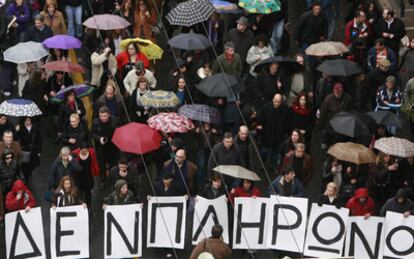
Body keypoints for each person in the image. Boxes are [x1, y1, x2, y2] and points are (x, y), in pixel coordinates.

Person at [257, 93, 291, 170]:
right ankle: (262, 164)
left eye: (279, 102)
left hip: (278, 135)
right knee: (264, 151)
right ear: (273, 100)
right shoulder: (266, 108)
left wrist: (286, 132)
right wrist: (260, 126)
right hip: (267, 134)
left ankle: (273, 166)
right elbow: (261, 118)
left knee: (275, 152)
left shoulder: (285, 108)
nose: (277, 104)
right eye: (275, 101)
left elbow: (287, 121)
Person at [91, 106, 120, 186]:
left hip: (112, 147)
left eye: (105, 116)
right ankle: (102, 181)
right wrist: (99, 139)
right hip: (101, 148)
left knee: (113, 165)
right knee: (101, 165)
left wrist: (110, 138)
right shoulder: (95, 122)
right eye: (101, 116)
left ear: (109, 115)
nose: (103, 118)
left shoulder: (115, 121)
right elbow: (93, 134)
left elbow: (118, 132)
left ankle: (113, 182)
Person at [319, 82, 353, 149]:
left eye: (338, 93)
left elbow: (350, 112)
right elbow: (323, 114)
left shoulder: (347, 98)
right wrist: (320, 127)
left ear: (342, 92)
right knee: (328, 145)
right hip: (330, 126)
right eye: (335, 93)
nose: (337, 95)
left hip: (342, 126)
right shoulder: (328, 99)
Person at [72, 143, 99, 207]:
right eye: (83, 151)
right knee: (79, 191)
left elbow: (95, 163)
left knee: (88, 192)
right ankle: (81, 205)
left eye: (86, 151)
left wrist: (97, 173)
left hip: (88, 175)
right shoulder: (75, 153)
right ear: (80, 150)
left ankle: (89, 205)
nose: (84, 152)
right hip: (78, 176)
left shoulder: (92, 152)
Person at [16, 117, 41, 182]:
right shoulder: (21, 128)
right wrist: (17, 131)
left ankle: (29, 174)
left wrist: (39, 151)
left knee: (31, 163)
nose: (27, 122)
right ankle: (26, 176)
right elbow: (16, 138)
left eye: (29, 120)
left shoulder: (35, 128)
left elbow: (39, 140)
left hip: (33, 149)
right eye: (26, 120)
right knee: (25, 164)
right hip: (24, 150)